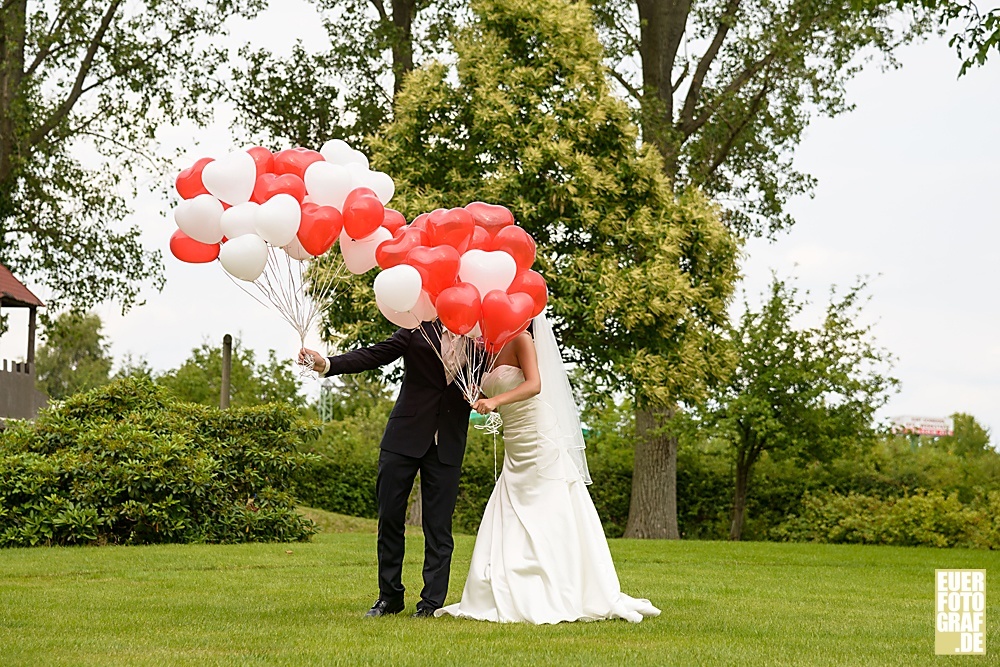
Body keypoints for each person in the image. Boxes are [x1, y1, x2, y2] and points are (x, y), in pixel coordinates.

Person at [435, 312, 660, 624]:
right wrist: (479, 397)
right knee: (512, 503)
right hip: (515, 439)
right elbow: (493, 390)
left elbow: (534, 385)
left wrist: (496, 401)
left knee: (548, 504)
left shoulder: (521, 339)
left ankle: (561, 585)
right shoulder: (487, 350)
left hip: (536, 434)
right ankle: (507, 582)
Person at [299, 321, 473, 618]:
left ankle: (431, 604)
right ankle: (389, 597)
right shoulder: (417, 327)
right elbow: (375, 354)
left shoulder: (480, 340)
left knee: (439, 528)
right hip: (403, 437)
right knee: (390, 518)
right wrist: (326, 363)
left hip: (449, 441)